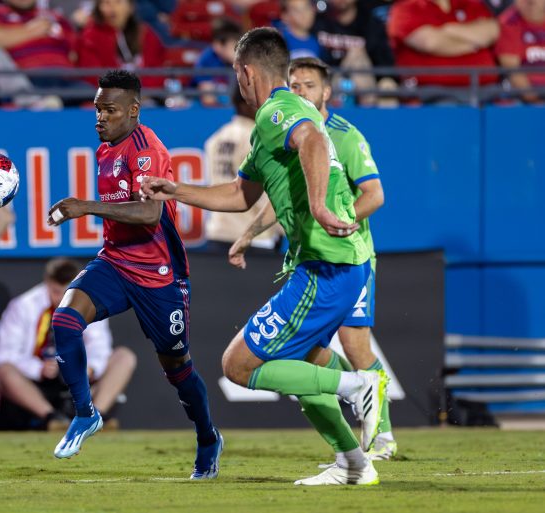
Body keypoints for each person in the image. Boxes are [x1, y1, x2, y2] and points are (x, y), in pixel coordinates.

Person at [141, 28, 388, 486]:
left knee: (238, 365)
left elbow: (313, 139)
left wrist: (317, 205)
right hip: (331, 263)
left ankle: (359, 386)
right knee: (308, 363)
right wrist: (178, 190)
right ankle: (353, 463)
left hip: (326, 266)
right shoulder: (273, 123)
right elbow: (240, 194)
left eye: (236, 74)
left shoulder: (279, 110)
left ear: (246, 72)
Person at [45, 69, 223, 480]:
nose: (100, 117)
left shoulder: (147, 151)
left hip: (159, 274)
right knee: (66, 319)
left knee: (177, 369)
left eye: (109, 110)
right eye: (97, 109)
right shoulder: (105, 147)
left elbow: (148, 213)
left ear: (134, 111)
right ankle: (86, 413)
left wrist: (85, 206)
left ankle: (208, 436)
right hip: (115, 260)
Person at [228, 57, 396, 460]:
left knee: (355, 345)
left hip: (347, 255)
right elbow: (278, 192)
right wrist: (251, 232)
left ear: (326, 93)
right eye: (295, 83)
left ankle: (381, 437)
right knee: (313, 354)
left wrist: (335, 220)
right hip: (312, 256)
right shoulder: (290, 129)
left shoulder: (341, 135)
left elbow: (374, 195)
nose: (300, 89)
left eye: (309, 84)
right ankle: (353, 454)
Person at [0, 258, 136, 431]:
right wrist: (39, 369)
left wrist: (89, 368)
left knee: (124, 357)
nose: (63, 298)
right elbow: (4, 355)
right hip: (37, 383)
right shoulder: (22, 306)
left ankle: (94, 417)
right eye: (57, 291)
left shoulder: (90, 302)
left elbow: (100, 346)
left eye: (68, 291)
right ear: (47, 283)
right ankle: (53, 419)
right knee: (4, 370)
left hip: (79, 381)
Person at [204, 87, 282, 252]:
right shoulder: (256, 139)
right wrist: (280, 228)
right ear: (245, 104)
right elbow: (267, 193)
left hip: (219, 231)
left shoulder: (216, 138)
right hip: (253, 237)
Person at [387, 0, 499, 96]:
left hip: (487, 90)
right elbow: (430, 43)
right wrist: (476, 43)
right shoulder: (406, 8)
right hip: (432, 96)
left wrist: (450, 29)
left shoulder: (470, 4)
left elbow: (492, 31)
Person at [0, 0, 78, 89]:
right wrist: (31, 30)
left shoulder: (55, 17)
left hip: (67, 79)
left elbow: (74, 52)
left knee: (89, 94)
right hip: (27, 81)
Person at [76, 0, 166, 88]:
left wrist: (142, 90)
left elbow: (159, 69)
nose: (112, 7)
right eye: (106, 2)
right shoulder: (90, 37)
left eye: (118, 2)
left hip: (147, 97)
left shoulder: (145, 33)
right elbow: (93, 76)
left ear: (130, 7)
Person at [495, 0, 545, 104]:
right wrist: (537, 102)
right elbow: (513, 71)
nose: (530, 2)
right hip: (525, 100)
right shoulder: (509, 22)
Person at [191, 17, 242, 106]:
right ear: (217, 46)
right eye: (233, 47)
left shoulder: (244, 59)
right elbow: (208, 100)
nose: (237, 52)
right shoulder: (206, 61)